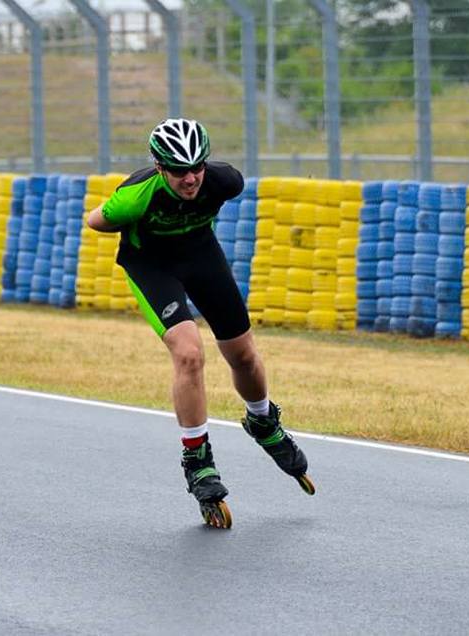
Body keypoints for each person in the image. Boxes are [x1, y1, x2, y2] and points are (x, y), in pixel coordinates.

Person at [87, 118, 314, 529]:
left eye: (197, 167)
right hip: (153, 267)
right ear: (160, 168)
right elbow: (95, 220)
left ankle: (262, 419)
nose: (191, 178)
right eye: (179, 170)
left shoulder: (225, 181)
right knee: (190, 354)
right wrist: (123, 223)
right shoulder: (135, 197)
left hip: (201, 256)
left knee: (243, 355)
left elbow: (210, 182)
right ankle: (197, 457)